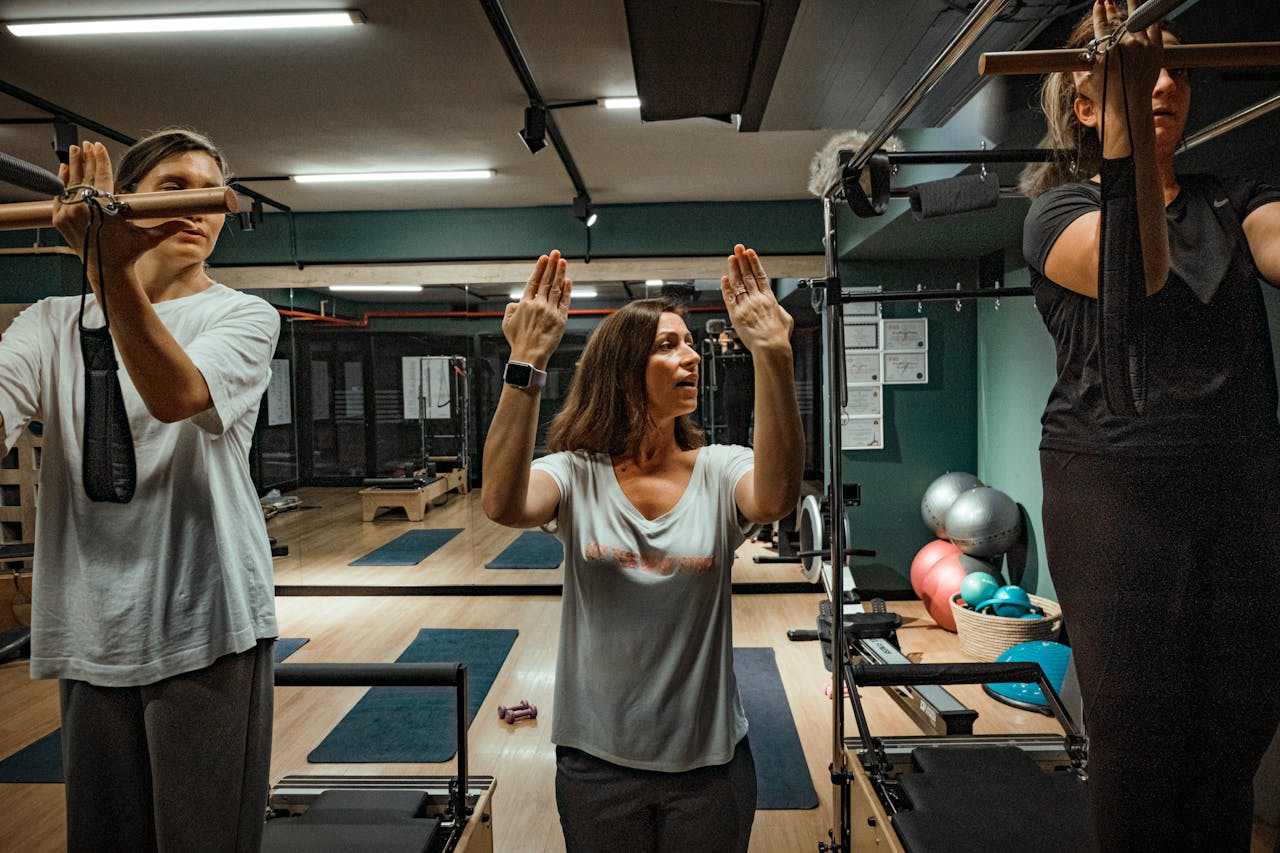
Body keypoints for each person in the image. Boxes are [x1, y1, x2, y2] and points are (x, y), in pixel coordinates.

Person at [1020, 3, 1280, 851]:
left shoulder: (1234, 196)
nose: (1163, 84)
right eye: (1135, 74)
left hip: (1240, 482)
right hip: (1114, 491)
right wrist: (1128, 134)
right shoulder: (1056, 212)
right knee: (1138, 744)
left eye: (1174, 70)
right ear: (1087, 108)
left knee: (1234, 734)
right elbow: (1138, 271)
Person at [0, 129, 281, 851]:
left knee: (202, 840)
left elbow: (175, 393)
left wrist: (104, 267)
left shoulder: (243, 316)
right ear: (120, 200)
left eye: (208, 191)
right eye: (172, 187)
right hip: (87, 624)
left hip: (207, 621)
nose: (197, 205)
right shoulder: (47, 323)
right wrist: (101, 270)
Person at [482, 245, 804, 852]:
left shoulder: (719, 469)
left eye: (689, 344)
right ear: (624, 370)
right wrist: (525, 359)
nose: (690, 358)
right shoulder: (576, 473)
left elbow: (775, 498)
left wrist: (774, 355)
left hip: (708, 765)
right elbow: (502, 503)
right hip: (596, 762)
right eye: (667, 346)